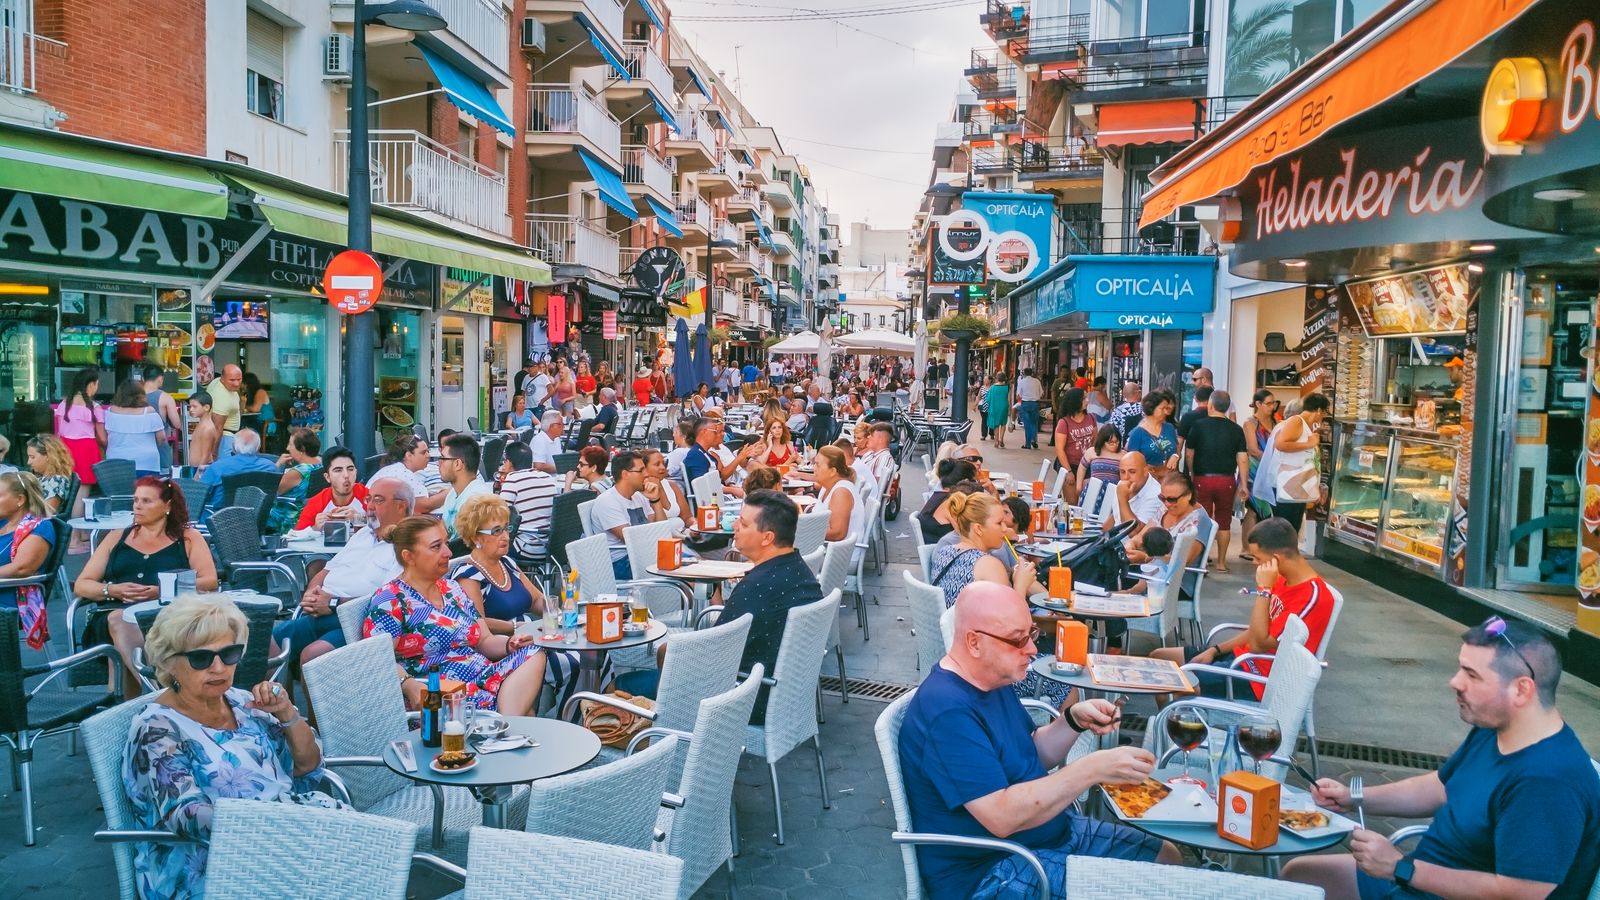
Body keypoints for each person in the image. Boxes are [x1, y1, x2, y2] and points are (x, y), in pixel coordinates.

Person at [1283, 616, 1600, 899]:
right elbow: (1441, 787)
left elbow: (1521, 892)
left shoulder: (1548, 782)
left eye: (1472, 675)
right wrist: (1355, 798)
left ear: (1521, 690)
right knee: (1299, 877)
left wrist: (1400, 867)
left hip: (1424, 882)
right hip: (1417, 880)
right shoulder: (1496, 727)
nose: (1455, 682)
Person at [899, 581, 1177, 900]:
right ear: (974, 642)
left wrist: (1072, 720)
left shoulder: (991, 678)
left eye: (1031, 634)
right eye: (1018, 640)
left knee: (1166, 858)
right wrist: (1091, 769)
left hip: (1049, 836)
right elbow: (1001, 817)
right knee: (1152, 888)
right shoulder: (947, 711)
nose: (1032, 649)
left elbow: (1032, 753)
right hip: (993, 871)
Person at [123, 595, 335, 900]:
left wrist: (287, 712)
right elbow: (187, 816)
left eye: (230, 653)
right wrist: (281, 828)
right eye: (201, 658)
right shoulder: (156, 729)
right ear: (168, 660)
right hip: (207, 868)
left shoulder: (239, 700)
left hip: (278, 845)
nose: (219, 667)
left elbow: (308, 767)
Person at [365, 517, 550, 715]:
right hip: (441, 692)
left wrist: (509, 644)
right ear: (409, 557)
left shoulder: (452, 589)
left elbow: (484, 640)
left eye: (446, 542)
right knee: (525, 710)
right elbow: (378, 659)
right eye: (437, 546)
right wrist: (407, 684)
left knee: (535, 650)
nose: (448, 552)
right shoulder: (390, 600)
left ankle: (505, 722)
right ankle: (508, 723)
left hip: (482, 676)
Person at [1154, 518, 1331, 698]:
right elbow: (1256, 630)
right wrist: (1215, 650)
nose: (1254, 563)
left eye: (1257, 557)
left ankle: (1173, 724)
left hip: (1260, 679)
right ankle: (1170, 722)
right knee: (1159, 657)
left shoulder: (1312, 597)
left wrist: (1264, 590)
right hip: (1243, 659)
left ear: (1276, 558)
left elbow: (1257, 645)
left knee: (1168, 684)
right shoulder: (1281, 578)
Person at [74, 476, 220, 695]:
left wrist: (161, 591)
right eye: (135, 500)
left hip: (168, 616)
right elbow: (82, 584)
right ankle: (159, 689)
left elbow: (209, 581)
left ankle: (126, 708)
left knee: (121, 657)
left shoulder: (188, 538)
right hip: (114, 613)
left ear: (167, 506)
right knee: (118, 620)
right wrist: (111, 590)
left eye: (146, 501)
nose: (137, 506)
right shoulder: (117, 538)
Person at [274, 477, 412, 665]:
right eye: (368, 499)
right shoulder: (363, 534)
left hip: (358, 622)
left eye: (378, 500)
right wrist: (311, 594)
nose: (369, 506)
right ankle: (280, 695)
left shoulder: (407, 547)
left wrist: (332, 603)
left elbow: (386, 600)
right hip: (323, 612)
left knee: (314, 656)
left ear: (401, 506)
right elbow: (326, 571)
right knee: (271, 642)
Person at [929, 492, 1036, 607]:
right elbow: (1013, 621)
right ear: (978, 529)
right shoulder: (989, 565)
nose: (1005, 529)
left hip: (950, 623)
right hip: (973, 624)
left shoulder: (945, 551)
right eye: (999, 523)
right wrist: (1021, 586)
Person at [1184, 390, 1249, 571]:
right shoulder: (1236, 429)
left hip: (1202, 479)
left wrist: (1192, 472)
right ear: (1227, 408)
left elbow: (1189, 454)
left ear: (1210, 406)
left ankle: (1202, 561)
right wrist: (1243, 484)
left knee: (1202, 520)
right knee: (1224, 520)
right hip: (1226, 480)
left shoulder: (1198, 426)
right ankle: (1221, 562)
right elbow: (1242, 458)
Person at [590, 451, 667, 579]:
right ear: (625, 474)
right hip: (622, 562)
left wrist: (656, 500)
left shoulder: (638, 496)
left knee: (692, 562)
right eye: (641, 470)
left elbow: (662, 530)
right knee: (685, 570)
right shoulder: (607, 502)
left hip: (644, 553)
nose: (646, 474)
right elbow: (630, 539)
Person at [0, 472, 56, 648]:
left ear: (19, 500)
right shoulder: (3, 523)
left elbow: (22, 569)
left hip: (10, 598)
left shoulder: (39, 528)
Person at [1260, 392, 1330, 531]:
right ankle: (1280, 552)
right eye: (1324, 413)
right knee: (1286, 529)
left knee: (1292, 528)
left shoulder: (1303, 425)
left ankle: (1286, 551)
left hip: (1297, 485)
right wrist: (1309, 444)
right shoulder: (1296, 421)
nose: (1323, 417)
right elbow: (1281, 444)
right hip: (1288, 485)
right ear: (1318, 411)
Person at [197, 428, 281, 515]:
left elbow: (198, 496)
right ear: (258, 447)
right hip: (257, 520)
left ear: (233, 447)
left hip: (220, 521)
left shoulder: (218, 467)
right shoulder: (270, 467)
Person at [498, 442, 558, 559]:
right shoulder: (548, 477)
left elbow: (499, 513)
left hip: (526, 547)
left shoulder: (513, 479)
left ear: (508, 462)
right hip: (549, 546)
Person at [1240, 389, 1280, 560]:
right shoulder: (1250, 423)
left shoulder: (1276, 423)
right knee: (1253, 508)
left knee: (1268, 508)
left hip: (1270, 472)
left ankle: (1261, 547)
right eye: (1269, 403)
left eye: (1274, 403)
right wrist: (1272, 460)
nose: (1272, 407)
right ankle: (1246, 548)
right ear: (1258, 404)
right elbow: (1253, 449)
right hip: (1254, 471)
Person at [264, 428, 325, 533]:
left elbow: (271, 491)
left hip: (288, 517)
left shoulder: (298, 472)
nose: (288, 448)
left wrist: (278, 465)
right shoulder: (321, 463)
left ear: (301, 449)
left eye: (290, 444)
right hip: (306, 511)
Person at [104, 377, 167, 478]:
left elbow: (104, 437)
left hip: (116, 462)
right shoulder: (149, 412)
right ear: (141, 394)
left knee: (120, 493)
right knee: (146, 493)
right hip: (147, 462)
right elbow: (162, 438)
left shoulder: (109, 412)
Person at [54, 367, 106, 490]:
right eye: (97, 384)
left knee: (66, 488)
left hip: (64, 449)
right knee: (82, 490)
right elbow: (103, 439)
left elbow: (58, 433)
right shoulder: (95, 408)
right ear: (92, 385)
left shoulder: (63, 404)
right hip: (86, 450)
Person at [368, 434, 446, 514]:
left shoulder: (396, 469)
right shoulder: (405, 474)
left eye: (428, 451)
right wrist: (451, 491)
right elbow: (423, 507)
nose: (428, 456)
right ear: (408, 456)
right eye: (423, 453)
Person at [293, 445, 366, 529]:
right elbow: (297, 536)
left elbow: (384, 528)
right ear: (327, 477)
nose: (346, 475)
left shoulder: (369, 496)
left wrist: (359, 519)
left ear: (356, 472)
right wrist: (315, 528)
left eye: (350, 469)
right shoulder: (317, 502)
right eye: (338, 470)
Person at [436, 433, 491, 543]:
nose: (438, 463)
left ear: (457, 464)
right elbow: (443, 530)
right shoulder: (453, 493)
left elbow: (468, 546)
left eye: (442, 458)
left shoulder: (477, 500)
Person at [918, 459, 979, 543]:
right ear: (966, 482)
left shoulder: (940, 494)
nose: (977, 485)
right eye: (975, 481)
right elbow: (967, 535)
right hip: (943, 550)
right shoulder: (951, 503)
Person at [813, 445, 864, 544]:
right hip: (824, 549)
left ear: (832, 471)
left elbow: (838, 533)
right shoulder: (827, 486)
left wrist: (802, 533)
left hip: (838, 556)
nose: (813, 468)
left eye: (817, 465)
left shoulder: (841, 492)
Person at [1053, 388, 1096, 501]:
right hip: (1070, 464)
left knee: (1086, 500)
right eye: (1084, 398)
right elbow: (1059, 449)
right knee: (1072, 502)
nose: (1087, 401)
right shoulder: (1064, 423)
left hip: (1087, 465)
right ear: (1075, 401)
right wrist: (1068, 471)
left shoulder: (1091, 418)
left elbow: (1095, 442)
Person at [1125, 390, 1179, 473]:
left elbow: (1176, 449)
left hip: (1169, 478)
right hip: (1148, 479)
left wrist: (1175, 456)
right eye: (1162, 408)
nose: (1166, 412)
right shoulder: (1137, 433)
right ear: (1151, 409)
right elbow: (1132, 461)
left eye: (1167, 408)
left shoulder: (1169, 428)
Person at [142, 365, 182, 473]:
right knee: (161, 483)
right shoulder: (165, 398)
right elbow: (177, 424)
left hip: (137, 447)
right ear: (160, 379)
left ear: (142, 379)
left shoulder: (132, 396)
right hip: (159, 447)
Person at [26, 434, 77, 514]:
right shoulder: (41, 476)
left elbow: (47, 513)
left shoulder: (56, 481)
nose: (28, 462)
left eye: (32, 457)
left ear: (48, 456)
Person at [643, 448, 691, 532]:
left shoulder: (672, 485)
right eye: (657, 464)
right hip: (665, 538)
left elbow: (687, 517)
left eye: (664, 463)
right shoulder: (642, 493)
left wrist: (696, 526)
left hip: (684, 534)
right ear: (644, 469)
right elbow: (654, 527)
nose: (663, 467)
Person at [1113, 450, 1163, 530]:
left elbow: (1134, 532)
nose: (1126, 477)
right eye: (1122, 472)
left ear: (1145, 471)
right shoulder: (1122, 485)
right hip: (1113, 539)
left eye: (1132, 472)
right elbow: (1114, 518)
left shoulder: (1156, 494)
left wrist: (1122, 499)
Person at [209, 364, 244, 457]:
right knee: (226, 468)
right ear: (222, 378)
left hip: (229, 436)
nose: (236, 383)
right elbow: (217, 427)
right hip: (225, 438)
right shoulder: (222, 398)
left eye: (239, 379)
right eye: (232, 380)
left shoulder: (216, 382)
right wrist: (214, 452)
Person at [856, 422, 895, 495]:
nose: (868, 437)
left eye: (872, 435)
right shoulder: (869, 454)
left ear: (881, 440)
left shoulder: (885, 458)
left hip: (864, 496)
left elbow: (878, 485)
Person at [1174, 385, 1213, 458]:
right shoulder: (1216, 417)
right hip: (1214, 460)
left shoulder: (1188, 417)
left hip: (1193, 459)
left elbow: (1180, 441)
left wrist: (1176, 462)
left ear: (1195, 398)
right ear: (1212, 400)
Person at [239, 372, 274, 447]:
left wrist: (243, 406)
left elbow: (255, 409)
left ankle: (247, 446)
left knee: (242, 423)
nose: (241, 385)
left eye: (243, 383)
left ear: (248, 384)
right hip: (257, 421)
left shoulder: (260, 392)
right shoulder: (250, 393)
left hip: (266, 423)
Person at [186, 393, 220, 469]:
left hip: (202, 468)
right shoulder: (202, 424)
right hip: (197, 467)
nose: (191, 409)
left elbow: (206, 455)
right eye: (190, 406)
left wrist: (198, 474)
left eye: (194, 407)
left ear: (206, 407)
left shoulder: (207, 428)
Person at [1014, 367, 1045, 450]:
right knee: (1034, 423)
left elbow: (1018, 395)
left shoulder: (1021, 382)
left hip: (1025, 404)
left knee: (1027, 424)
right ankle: (1034, 440)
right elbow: (1042, 393)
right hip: (1035, 404)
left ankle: (1027, 444)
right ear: (1032, 373)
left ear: (1023, 373)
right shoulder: (1037, 381)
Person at [984, 374, 1011, 449]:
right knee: (1003, 423)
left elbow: (988, 399)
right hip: (1004, 407)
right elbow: (1009, 399)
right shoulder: (1007, 387)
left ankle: (996, 441)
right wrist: (1009, 408)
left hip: (995, 407)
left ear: (997, 378)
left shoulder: (992, 387)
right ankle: (1001, 440)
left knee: (996, 424)